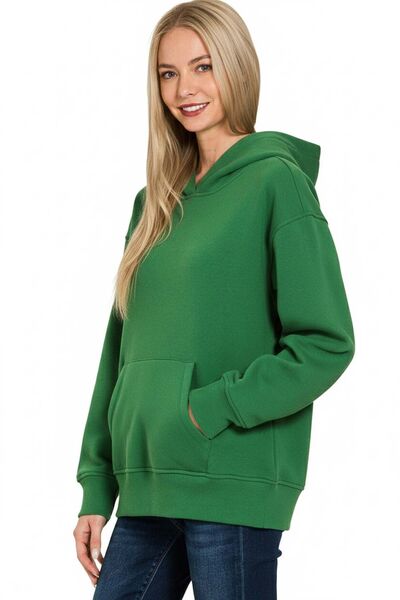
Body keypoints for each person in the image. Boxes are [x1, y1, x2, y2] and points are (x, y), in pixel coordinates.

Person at [73, 1, 356, 597]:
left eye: (203, 67)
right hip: (148, 481)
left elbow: (326, 342)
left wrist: (211, 409)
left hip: (232, 481)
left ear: (237, 67)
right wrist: (97, 483)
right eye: (168, 73)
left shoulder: (276, 182)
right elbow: (118, 352)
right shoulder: (153, 204)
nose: (185, 89)